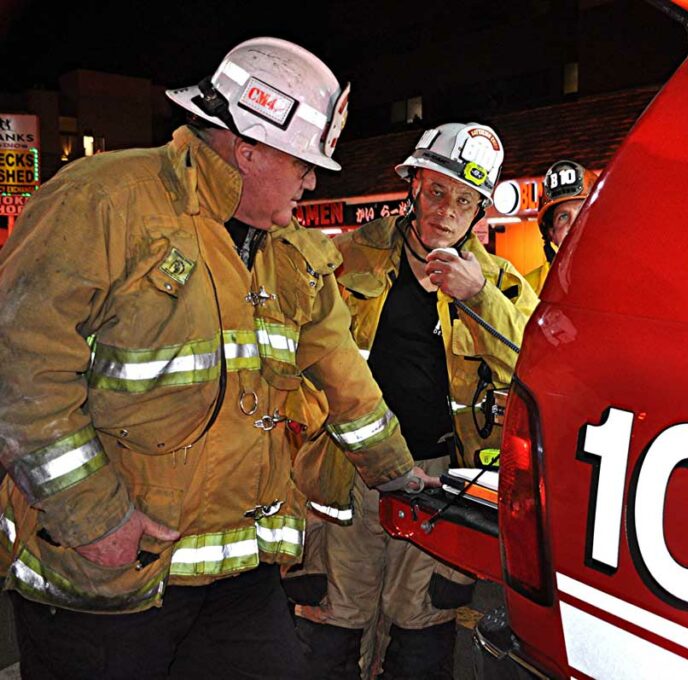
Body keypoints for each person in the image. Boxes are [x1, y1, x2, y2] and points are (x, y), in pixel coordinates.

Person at [0, 37, 432, 679]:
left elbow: (341, 368)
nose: (312, 180)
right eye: (301, 163)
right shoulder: (105, 201)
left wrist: (396, 471)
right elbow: (20, 366)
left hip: (239, 575)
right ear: (247, 147)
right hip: (112, 578)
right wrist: (92, 516)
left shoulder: (288, 249)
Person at [292, 123, 538, 679]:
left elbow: (539, 367)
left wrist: (478, 297)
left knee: (421, 632)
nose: (445, 212)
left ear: (480, 211)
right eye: (436, 192)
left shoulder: (499, 282)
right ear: (413, 188)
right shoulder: (348, 256)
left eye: (464, 200)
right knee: (333, 627)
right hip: (346, 474)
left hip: (437, 486)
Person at [524, 159, 597, 292]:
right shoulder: (525, 291)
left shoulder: (628, 278)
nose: (574, 225)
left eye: (582, 212)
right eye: (562, 217)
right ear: (551, 233)